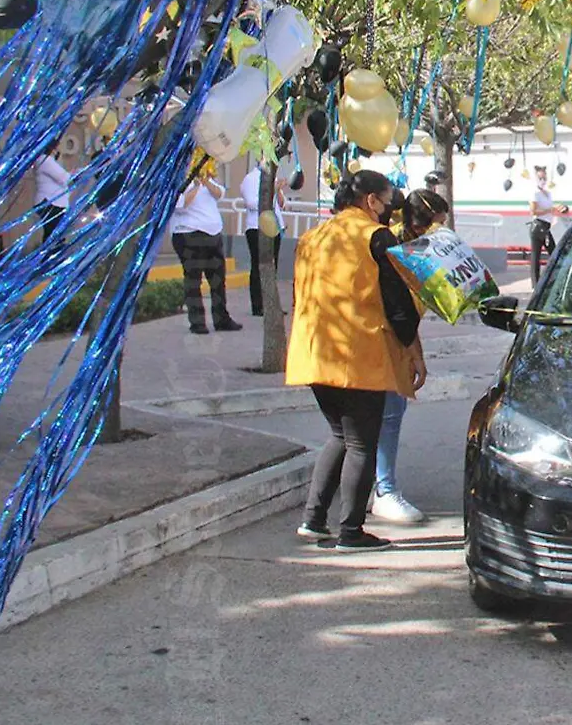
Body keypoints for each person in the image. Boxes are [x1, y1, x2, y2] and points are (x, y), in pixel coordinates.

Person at [288, 171, 423, 551]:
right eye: (385, 201)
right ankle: (351, 531)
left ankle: (314, 520)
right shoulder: (375, 238)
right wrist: (411, 348)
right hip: (358, 352)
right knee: (363, 443)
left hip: (315, 352)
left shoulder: (312, 237)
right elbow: (397, 303)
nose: (388, 210)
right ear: (370, 201)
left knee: (339, 436)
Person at [372, 188, 449, 525]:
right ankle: (383, 490)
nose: (441, 231)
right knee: (387, 414)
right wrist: (413, 351)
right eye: (437, 224)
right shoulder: (392, 250)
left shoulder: (416, 251)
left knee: (386, 414)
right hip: (383, 341)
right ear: (419, 223)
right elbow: (398, 309)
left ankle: (371, 487)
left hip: (398, 340)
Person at [171, 158, 240, 335]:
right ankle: (197, 323)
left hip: (213, 233)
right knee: (193, 280)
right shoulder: (177, 179)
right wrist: (194, 185)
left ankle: (221, 319)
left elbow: (219, 194)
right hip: (188, 233)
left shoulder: (207, 179)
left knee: (218, 280)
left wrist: (205, 181)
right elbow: (180, 204)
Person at [240, 164, 286, 317]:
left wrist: (278, 190)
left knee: (273, 266)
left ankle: (272, 305)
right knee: (258, 266)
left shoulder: (273, 178)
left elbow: (281, 204)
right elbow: (252, 204)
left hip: (274, 226)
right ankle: (258, 305)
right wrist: (272, 191)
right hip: (256, 227)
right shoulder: (250, 179)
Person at [528, 165, 565, 284]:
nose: (542, 181)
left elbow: (550, 208)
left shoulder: (548, 193)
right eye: (540, 178)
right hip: (538, 226)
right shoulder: (534, 193)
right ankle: (536, 283)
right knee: (539, 255)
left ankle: (552, 279)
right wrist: (549, 210)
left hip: (546, 225)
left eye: (544, 178)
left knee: (553, 253)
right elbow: (533, 211)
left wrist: (555, 209)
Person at [33, 147, 71, 244]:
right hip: (50, 202)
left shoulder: (44, 160)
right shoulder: (45, 160)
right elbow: (63, 177)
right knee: (54, 234)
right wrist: (75, 174)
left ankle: (51, 254)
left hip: (53, 202)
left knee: (52, 233)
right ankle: (51, 255)